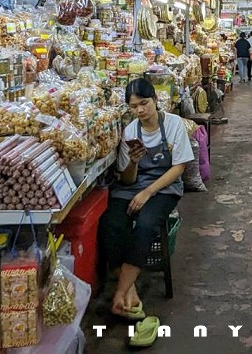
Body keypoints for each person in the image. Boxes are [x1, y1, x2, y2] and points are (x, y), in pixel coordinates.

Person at [99, 79, 193, 339]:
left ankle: (120, 292)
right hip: (132, 187)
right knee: (112, 222)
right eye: (133, 106)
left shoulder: (172, 124)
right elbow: (127, 179)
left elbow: (179, 167)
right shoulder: (130, 132)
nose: (140, 110)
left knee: (146, 224)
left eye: (144, 103)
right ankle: (131, 293)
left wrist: (148, 192)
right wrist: (133, 163)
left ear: (155, 100)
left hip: (164, 188)